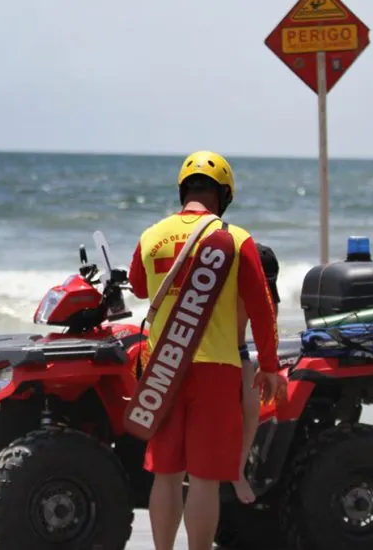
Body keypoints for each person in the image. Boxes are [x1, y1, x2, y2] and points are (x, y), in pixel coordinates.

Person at [127, 150, 287, 550]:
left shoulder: (151, 236)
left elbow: (141, 288)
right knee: (204, 479)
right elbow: (262, 310)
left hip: (164, 367)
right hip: (217, 371)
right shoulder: (236, 240)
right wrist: (269, 367)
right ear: (224, 195)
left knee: (164, 475)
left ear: (184, 190)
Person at [232, 242, 282, 505]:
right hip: (206, 349)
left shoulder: (265, 275)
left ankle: (238, 470)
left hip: (238, 349)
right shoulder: (221, 273)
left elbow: (270, 316)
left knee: (251, 405)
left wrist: (268, 364)